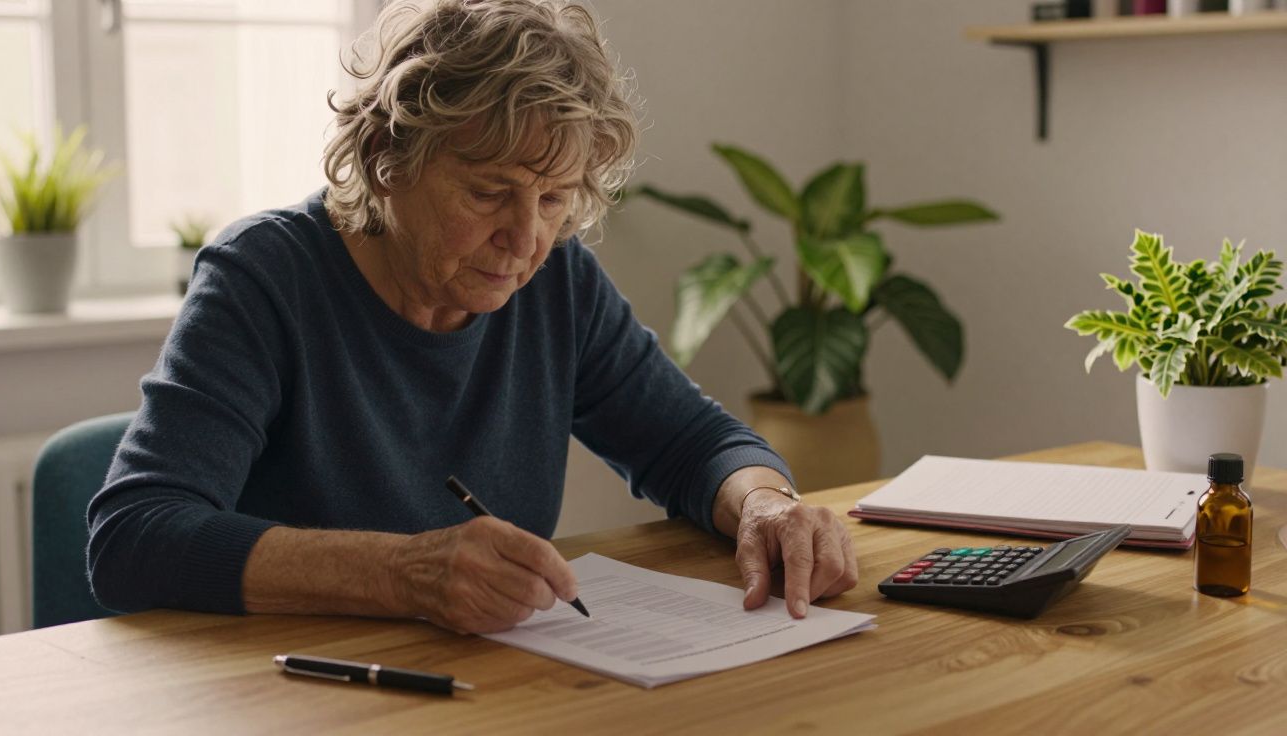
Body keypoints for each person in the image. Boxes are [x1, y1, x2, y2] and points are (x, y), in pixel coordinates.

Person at [87, 0, 858, 635]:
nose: (525, 239)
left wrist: (766, 505)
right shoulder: (266, 278)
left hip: (492, 687)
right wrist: (405, 574)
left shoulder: (557, 282)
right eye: (489, 192)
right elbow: (134, 535)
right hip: (295, 693)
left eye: (553, 198)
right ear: (389, 157)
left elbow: (697, 443)